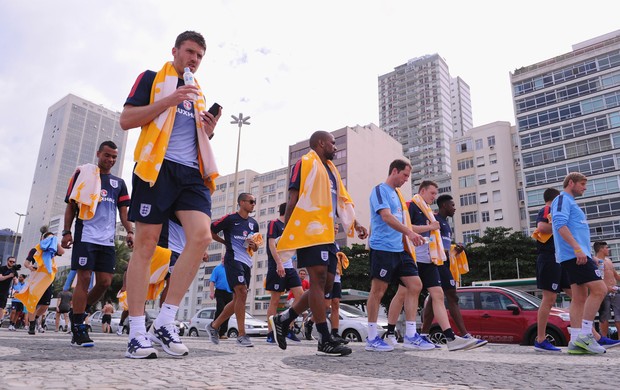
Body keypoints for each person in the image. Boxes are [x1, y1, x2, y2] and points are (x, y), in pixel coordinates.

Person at [120, 30, 221, 359]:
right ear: (175, 51)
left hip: (191, 173)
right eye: (190, 52)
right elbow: (127, 120)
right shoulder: (152, 79)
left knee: (202, 237)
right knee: (146, 245)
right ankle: (137, 330)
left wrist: (208, 129)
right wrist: (170, 100)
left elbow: (192, 135)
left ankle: (164, 322)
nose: (194, 59)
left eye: (200, 56)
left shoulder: (199, 94)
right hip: (156, 168)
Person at [269, 130, 368, 356]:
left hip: (326, 234)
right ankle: (323, 337)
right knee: (318, 279)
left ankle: (285, 319)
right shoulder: (305, 162)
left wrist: (356, 223)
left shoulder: (332, 171)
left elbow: (341, 201)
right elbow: (293, 198)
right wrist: (288, 230)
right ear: (321, 143)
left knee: (327, 284)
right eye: (333, 143)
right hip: (309, 230)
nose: (335, 147)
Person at [61, 140, 132, 347]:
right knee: (83, 278)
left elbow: (124, 213)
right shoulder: (83, 175)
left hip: (107, 241)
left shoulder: (118, 183)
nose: (110, 160)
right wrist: (66, 232)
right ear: (98, 153)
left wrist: (130, 231)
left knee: (105, 282)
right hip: (86, 236)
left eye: (114, 157)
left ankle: (78, 314)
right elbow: (71, 207)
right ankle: (79, 328)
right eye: (107, 155)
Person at [399, 180, 477, 351]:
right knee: (401, 294)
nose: (434, 197)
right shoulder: (412, 206)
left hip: (431, 259)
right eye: (432, 193)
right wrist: (430, 226)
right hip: (413, 258)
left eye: (436, 193)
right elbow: (405, 228)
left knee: (438, 295)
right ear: (423, 191)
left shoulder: (429, 211)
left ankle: (450, 338)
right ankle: (395, 332)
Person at [364, 159, 430, 352]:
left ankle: (410, 335)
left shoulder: (398, 195)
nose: (406, 179)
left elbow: (403, 221)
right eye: (405, 175)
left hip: (401, 249)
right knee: (378, 291)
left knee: (415, 284)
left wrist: (412, 235)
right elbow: (386, 216)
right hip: (383, 248)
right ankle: (371, 337)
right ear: (394, 171)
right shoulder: (380, 190)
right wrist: (409, 233)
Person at [418, 194, 486, 348]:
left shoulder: (447, 224)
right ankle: (464, 335)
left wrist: (456, 248)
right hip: (436, 263)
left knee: (434, 299)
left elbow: (445, 246)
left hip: (445, 263)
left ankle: (423, 334)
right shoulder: (434, 219)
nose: (455, 208)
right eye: (452, 205)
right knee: (451, 297)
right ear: (444, 206)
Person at [551, 172, 607, 354]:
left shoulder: (571, 202)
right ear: (571, 182)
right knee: (600, 290)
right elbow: (559, 224)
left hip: (579, 255)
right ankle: (586, 335)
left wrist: (585, 252)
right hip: (574, 256)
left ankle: (575, 340)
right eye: (582, 184)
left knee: (579, 297)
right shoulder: (561, 199)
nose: (585, 187)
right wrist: (577, 249)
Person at [207, 193, 261, 347]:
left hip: (246, 262)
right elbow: (211, 230)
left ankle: (214, 326)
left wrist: (253, 245)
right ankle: (241, 335)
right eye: (251, 201)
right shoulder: (230, 218)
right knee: (241, 292)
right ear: (241, 202)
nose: (253, 204)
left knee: (239, 299)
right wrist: (224, 242)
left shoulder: (253, 223)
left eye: (254, 202)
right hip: (233, 260)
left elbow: (256, 247)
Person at [265, 202, 304, 344]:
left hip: (290, 268)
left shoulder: (291, 227)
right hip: (276, 266)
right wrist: (279, 264)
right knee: (275, 300)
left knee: (301, 296)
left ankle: (287, 326)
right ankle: (270, 332)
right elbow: (271, 245)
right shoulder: (273, 224)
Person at [15, 232, 65, 335]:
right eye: (48, 238)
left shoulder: (52, 250)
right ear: (43, 239)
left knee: (45, 305)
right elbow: (26, 263)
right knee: (33, 303)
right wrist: (30, 267)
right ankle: (32, 325)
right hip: (36, 280)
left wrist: (54, 240)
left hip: (47, 281)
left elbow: (62, 251)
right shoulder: (35, 250)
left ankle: (35, 317)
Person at [593, 241, 620, 338]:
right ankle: (603, 339)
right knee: (604, 317)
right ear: (601, 249)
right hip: (604, 292)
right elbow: (598, 277)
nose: (608, 250)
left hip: (615, 291)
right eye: (607, 248)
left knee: (619, 316)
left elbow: (616, 275)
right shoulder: (597, 261)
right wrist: (607, 288)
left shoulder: (608, 261)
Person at [209, 258, 232, 339]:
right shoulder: (217, 269)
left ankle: (222, 332)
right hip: (220, 292)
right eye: (222, 258)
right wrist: (212, 292)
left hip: (230, 292)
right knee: (220, 310)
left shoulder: (231, 268)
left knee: (228, 312)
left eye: (224, 258)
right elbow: (212, 281)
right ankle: (214, 329)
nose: (223, 260)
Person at [0, 256, 18, 323]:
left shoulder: (14, 271)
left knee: (1, 307)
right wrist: (9, 276)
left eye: (13, 262)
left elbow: (16, 283)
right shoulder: (2, 268)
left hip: (5, 291)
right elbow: (1, 278)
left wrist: (15, 279)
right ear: (7, 261)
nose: (12, 263)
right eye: (10, 261)